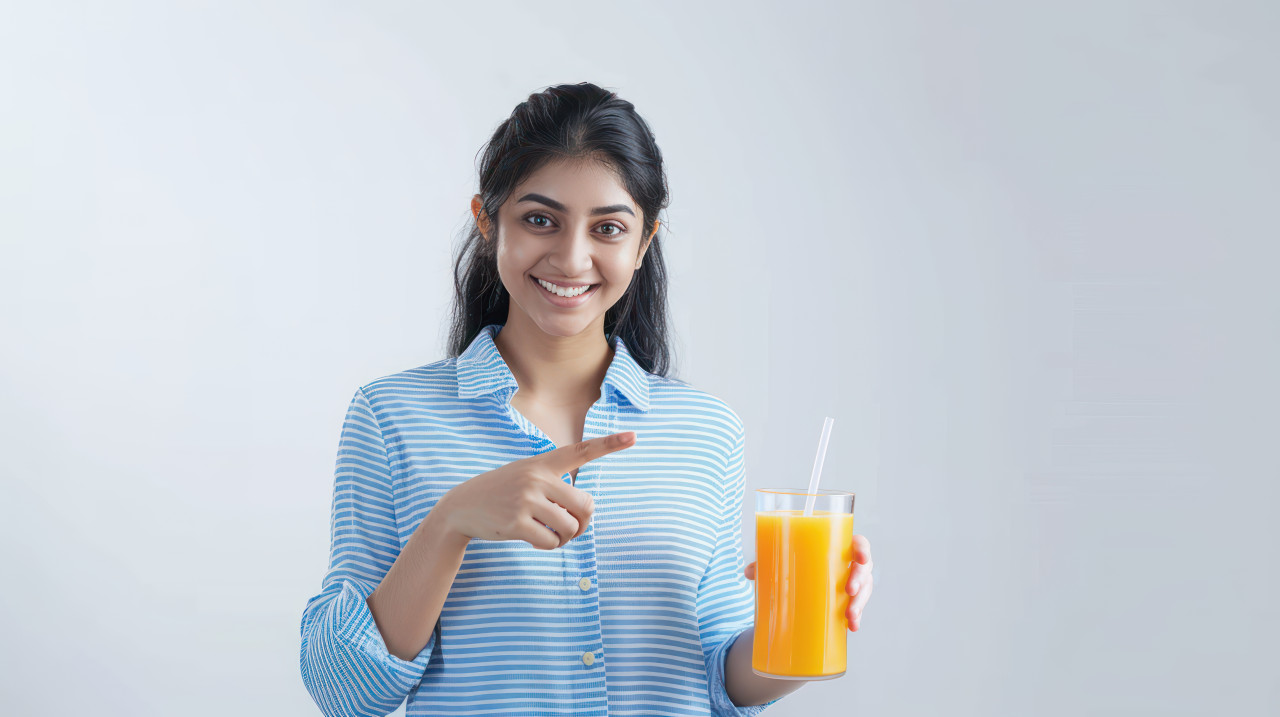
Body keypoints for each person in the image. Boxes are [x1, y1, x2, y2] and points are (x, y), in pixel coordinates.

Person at [298, 82, 875, 717]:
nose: (573, 259)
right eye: (540, 219)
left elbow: (719, 678)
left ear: (644, 241)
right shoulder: (393, 418)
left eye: (608, 228)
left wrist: (805, 623)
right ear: (487, 221)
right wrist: (450, 523)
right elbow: (344, 691)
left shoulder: (706, 431)